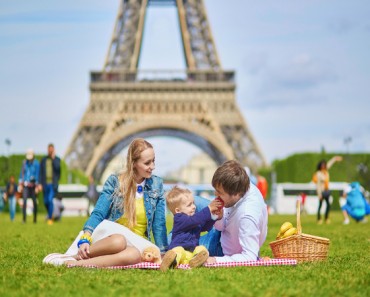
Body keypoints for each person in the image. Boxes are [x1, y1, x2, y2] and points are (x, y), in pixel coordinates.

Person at [45, 138, 168, 267]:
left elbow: (159, 224)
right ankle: (75, 256)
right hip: (112, 240)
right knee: (119, 241)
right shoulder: (115, 182)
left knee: (135, 255)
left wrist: (163, 253)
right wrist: (86, 237)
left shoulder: (156, 184)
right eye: (147, 163)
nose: (152, 167)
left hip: (138, 244)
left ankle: (76, 264)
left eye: (153, 161)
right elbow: (99, 212)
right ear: (134, 163)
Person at [196, 160, 268, 263]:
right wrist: (219, 217)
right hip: (224, 234)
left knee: (179, 243)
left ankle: (169, 244)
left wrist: (215, 260)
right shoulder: (243, 184)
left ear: (236, 193)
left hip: (222, 249)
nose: (215, 194)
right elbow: (223, 225)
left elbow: (250, 257)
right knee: (189, 199)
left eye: (219, 192)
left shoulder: (247, 215)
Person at [160, 186, 222, 271]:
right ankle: (170, 261)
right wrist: (209, 209)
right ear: (178, 210)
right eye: (189, 205)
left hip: (191, 251)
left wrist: (214, 217)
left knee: (201, 249)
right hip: (180, 249)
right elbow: (195, 220)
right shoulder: (179, 219)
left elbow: (204, 227)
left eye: (193, 203)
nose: (194, 207)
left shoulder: (191, 219)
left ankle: (196, 260)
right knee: (178, 252)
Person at [312, 156, 342, 224]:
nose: (323, 166)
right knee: (320, 205)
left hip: (327, 191)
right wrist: (319, 194)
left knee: (328, 205)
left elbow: (330, 163)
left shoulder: (326, 171)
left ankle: (326, 218)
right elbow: (318, 185)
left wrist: (335, 158)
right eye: (322, 165)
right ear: (320, 166)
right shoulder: (318, 173)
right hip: (321, 191)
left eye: (324, 165)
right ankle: (319, 219)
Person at [39, 143, 61, 225]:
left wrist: (53, 158)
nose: (50, 151)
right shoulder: (44, 160)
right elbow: (40, 172)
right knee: (45, 201)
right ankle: (50, 215)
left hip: (52, 184)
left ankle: (50, 218)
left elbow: (58, 169)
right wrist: (40, 184)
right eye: (49, 150)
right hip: (45, 184)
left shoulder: (57, 159)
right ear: (48, 150)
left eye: (52, 150)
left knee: (49, 199)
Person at [18, 149, 40, 223]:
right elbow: (22, 174)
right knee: (24, 201)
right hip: (25, 185)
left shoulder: (36, 164)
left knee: (34, 202)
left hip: (33, 186)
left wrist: (37, 186)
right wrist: (20, 184)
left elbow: (37, 174)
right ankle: (24, 219)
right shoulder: (24, 163)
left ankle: (35, 219)